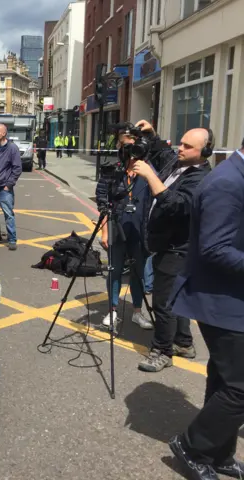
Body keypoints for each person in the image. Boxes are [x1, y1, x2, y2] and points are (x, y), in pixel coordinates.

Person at [167, 137, 244, 480]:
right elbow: (214, 248)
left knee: (226, 380)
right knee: (240, 387)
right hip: (220, 300)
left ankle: (218, 453)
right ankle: (192, 446)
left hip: (231, 297)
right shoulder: (227, 183)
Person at [133, 125, 212, 373]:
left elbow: (176, 206)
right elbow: (161, 152)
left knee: (163, 303)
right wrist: (151, 134)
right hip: (167, 243)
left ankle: (162, 350)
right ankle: (184, 343)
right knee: (176, 299)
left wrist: (149, 175)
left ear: (205, 151)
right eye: (181, 142)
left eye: (188, 146)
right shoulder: (180, 163)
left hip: (178, 249)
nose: (181, 148)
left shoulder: (200, 178)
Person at [96, 125, 153, 330]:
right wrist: (104, 229)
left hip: (140, 231)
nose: (129, 149)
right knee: (115, 270)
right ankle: (112, 311)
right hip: (116, 228)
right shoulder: (112, 171)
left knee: (139, 272)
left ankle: (137, 312)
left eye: (132, 144)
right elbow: (103, 202)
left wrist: (151, 134)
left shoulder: (148, 171)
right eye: (124, 144)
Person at [0, 123, 22, 251]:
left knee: (8, 214)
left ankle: (12, 239)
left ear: (3, 134)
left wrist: (9, 185)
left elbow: (17, 168)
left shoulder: (12, 148)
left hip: (4, 188)